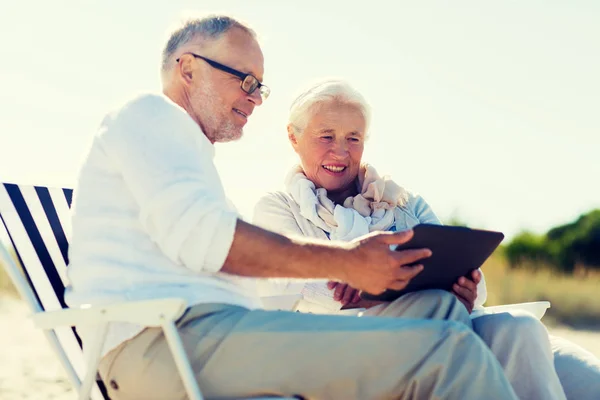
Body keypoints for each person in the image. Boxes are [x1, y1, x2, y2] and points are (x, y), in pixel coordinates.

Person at [63, 15, 519, 400]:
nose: (255, 98)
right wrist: (348, 262)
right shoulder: (148, 114)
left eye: (260, 87)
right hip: (170, 344)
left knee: (439, 314)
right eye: (244, 80)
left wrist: (370, 286)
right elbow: (205, 237)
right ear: (187, 69)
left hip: (220, 336)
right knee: (449, 349)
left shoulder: (188, 157)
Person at [252, 79, 599, 400]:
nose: (341, 151)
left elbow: (474, 285)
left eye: (353, 138)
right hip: (348, 340)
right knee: (437, 314)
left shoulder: (405, 202)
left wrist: (466, 288)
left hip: (444, 319)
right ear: (293, 138)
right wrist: (358, 285)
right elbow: (283, 290)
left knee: (519, 327)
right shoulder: (279, 208)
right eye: (326, 136)